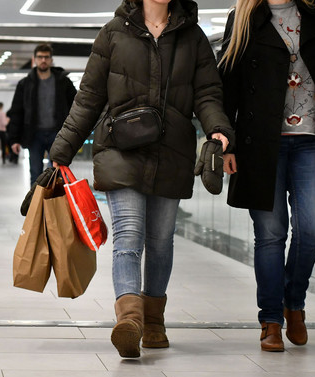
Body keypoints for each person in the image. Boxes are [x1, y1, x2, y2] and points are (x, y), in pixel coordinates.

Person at [49, 0, 234, 358]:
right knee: (129, 236)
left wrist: (218, 131)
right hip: (122, 150)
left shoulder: (191, 36)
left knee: (161, 241)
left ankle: (153, 321)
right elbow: (88, 99)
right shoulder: (113, 34)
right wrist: (61, 151)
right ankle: (130, 321)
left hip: (172, 152)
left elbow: (207, 93)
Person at [218, 0, 315, 352]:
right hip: (259, 144)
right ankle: (270, 320)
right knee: (270, 234)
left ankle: (293, 302)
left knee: (312, 227)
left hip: (312, 139)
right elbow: (228, 84)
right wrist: (227, 144)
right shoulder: (243, 16)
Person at [9, 44, 77, 186]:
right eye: (40, 57)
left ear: (51, 60)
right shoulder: (25, 84)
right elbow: (17, 111)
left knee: (57, 175)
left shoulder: (63, 82)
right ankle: (36, 207)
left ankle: (53, 207)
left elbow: (76, 106)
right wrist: (14, 138)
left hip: (58, 134)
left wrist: (72, 133)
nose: (43, 60)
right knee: (35, 174)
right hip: (34, 135)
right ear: (34, 60)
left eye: (46, 57)